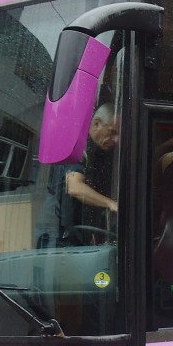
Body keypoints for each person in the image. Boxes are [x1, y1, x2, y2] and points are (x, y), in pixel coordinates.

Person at [36, 104, 120, 247]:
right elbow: (74, 187)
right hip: (56, 237)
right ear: (97, 123)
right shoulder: (79, 147)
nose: (116, 139)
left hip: (74, 233)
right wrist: (111, 204)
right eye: (112, 132)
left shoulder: (99, 153)